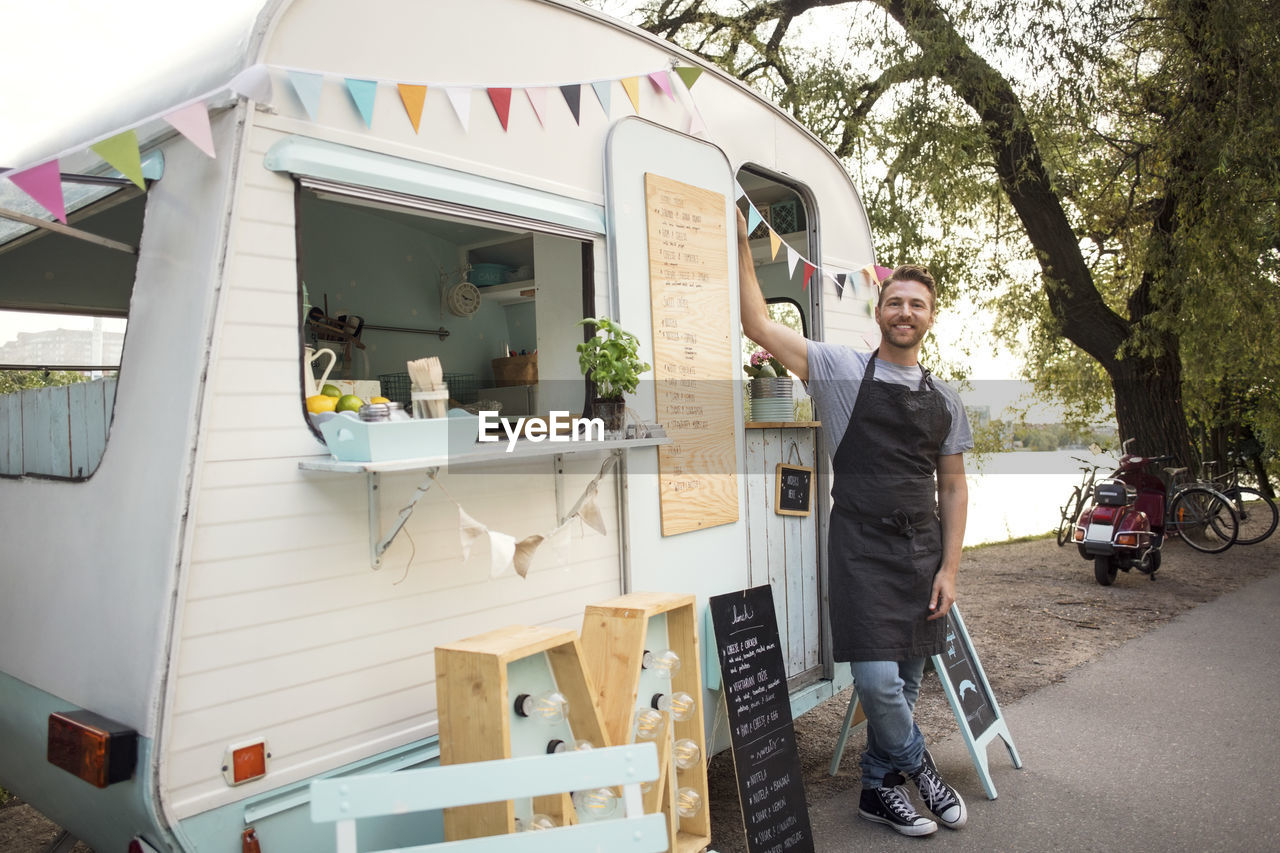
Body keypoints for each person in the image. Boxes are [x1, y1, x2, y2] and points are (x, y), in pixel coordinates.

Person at [736, 210, 972, 837]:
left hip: (921, 551)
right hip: (861, 548)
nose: (905, 312)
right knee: (876, 681)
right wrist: (741, 244)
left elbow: (952, 486)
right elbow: (758, 324)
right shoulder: (841, 371)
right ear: (879, 313)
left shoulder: (946, 400)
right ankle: (922, 770)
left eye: (917, 305)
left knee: (910, 677)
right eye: (895, 301)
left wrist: (949, 568)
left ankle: (876, 790)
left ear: (929, 317)